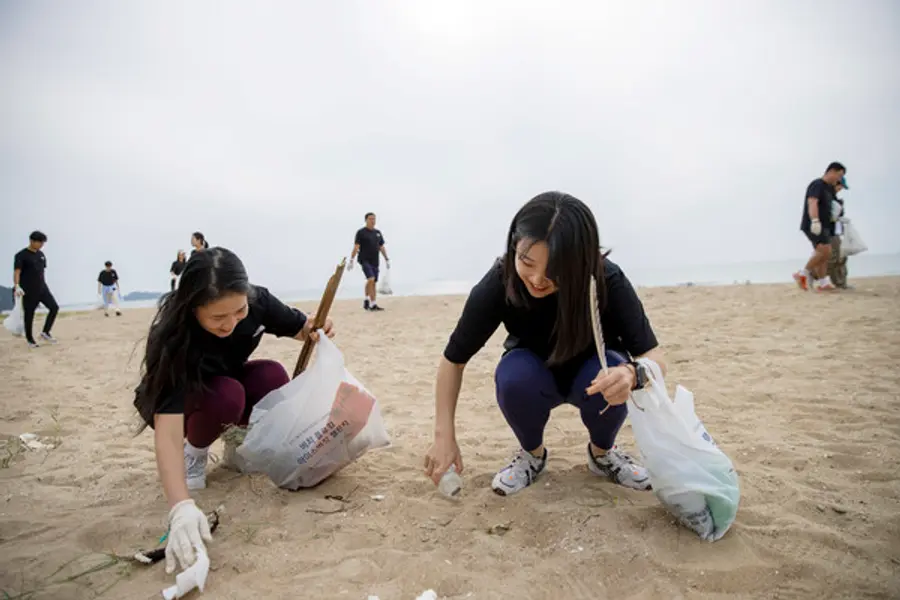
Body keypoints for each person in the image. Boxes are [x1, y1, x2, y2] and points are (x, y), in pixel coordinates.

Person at [423, 192, 666, 497]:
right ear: (514, 246)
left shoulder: (607, 280)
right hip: (532, 370)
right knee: (513, 378)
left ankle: (603, 453)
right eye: (527, 262)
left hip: (594, 373)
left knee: (614, 370)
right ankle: (531, 454)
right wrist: (443, 436)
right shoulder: (500, 281)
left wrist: (632, 374)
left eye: (556, 272)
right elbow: (453, 360)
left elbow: (654, 356)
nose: (538, 279)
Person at [132, 247, 334, 575]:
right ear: (193, 308)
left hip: (229, 377)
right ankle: (195, 453)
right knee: (227, 395)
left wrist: (316, 330)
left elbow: (301, 328)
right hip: (192, 402)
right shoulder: (172, 337)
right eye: (217, 317)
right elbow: (167, 433)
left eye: (238, 312)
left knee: (272, 376)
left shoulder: (256, 301)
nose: (230, 323)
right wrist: (180, 507)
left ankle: (235, 441)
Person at [793, 162, 846, 292]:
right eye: (838, 176)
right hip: (814, 224)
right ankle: (802, 273)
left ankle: (823, 283)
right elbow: (812, 202)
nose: (839, 179)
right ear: (831, 171)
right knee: (825, 250)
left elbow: (833, 207)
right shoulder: (817, 184)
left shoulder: (830, 188)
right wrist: (815, 220)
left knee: (825, 254)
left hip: (827, 225)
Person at [12, 231, 59, 348]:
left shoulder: (41, 255)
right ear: (32, 241)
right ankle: (30, 339)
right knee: (29, 315)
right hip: (28, 289)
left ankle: (45, 332)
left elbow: (42, 272)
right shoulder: (21, 255)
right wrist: (17, 285)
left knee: (54, 307)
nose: (41, 245)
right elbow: (17, 272)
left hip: (42, 288)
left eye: (43, 243)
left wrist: (44, 284)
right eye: (40, 242)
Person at [349, 212, 390, 311]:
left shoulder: (378, 233)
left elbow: (381, 247)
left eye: (374, 219)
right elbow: (356, 246)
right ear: (366, 220)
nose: (373, 221)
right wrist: (351, 259)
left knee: (373, 282)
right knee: (370, 278)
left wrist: (386, 258)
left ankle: (372, 303)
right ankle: (368, 300)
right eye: (370, 219)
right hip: (364, 259)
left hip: (375, 260)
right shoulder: (361, 232)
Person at [827, 178, 850, 290]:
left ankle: (841, 283)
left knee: (842, 256)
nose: (840, 189)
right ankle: (810, 274)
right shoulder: (827, 196)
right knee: (835, 257)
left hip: (836, 230)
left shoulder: (834, 197)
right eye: (840, 186)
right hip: (830, 232)